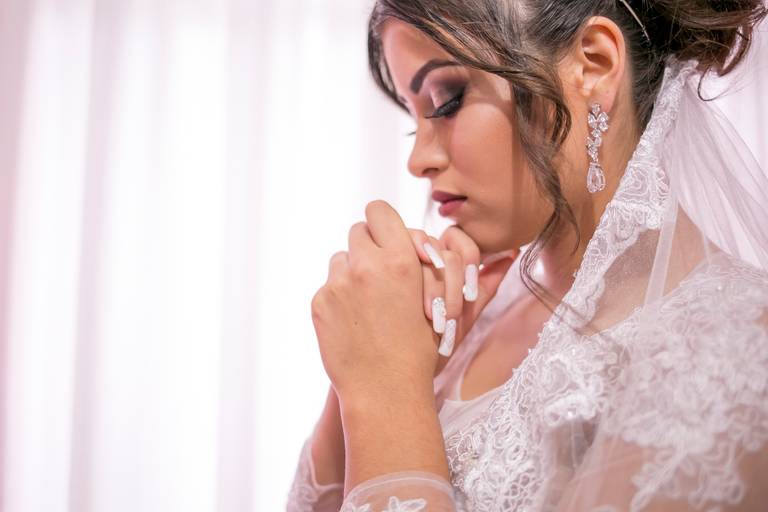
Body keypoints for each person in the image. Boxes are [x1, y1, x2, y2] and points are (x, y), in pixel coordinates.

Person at [287, 1, 768, 510]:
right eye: (413, 120)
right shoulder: (467, 320)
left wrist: (386, 389)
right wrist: (364, 363)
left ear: (593, 66)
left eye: (447, 100)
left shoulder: (735, 349)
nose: (417, 159)